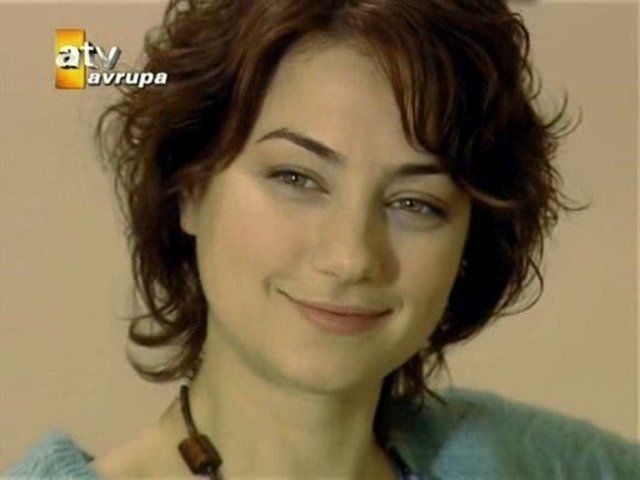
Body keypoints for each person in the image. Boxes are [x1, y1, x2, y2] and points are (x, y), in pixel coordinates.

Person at [4, 0, 638, 479]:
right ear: (189, 188)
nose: (352, 257)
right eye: (296, 178)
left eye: (414, 203)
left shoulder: (534, 461)